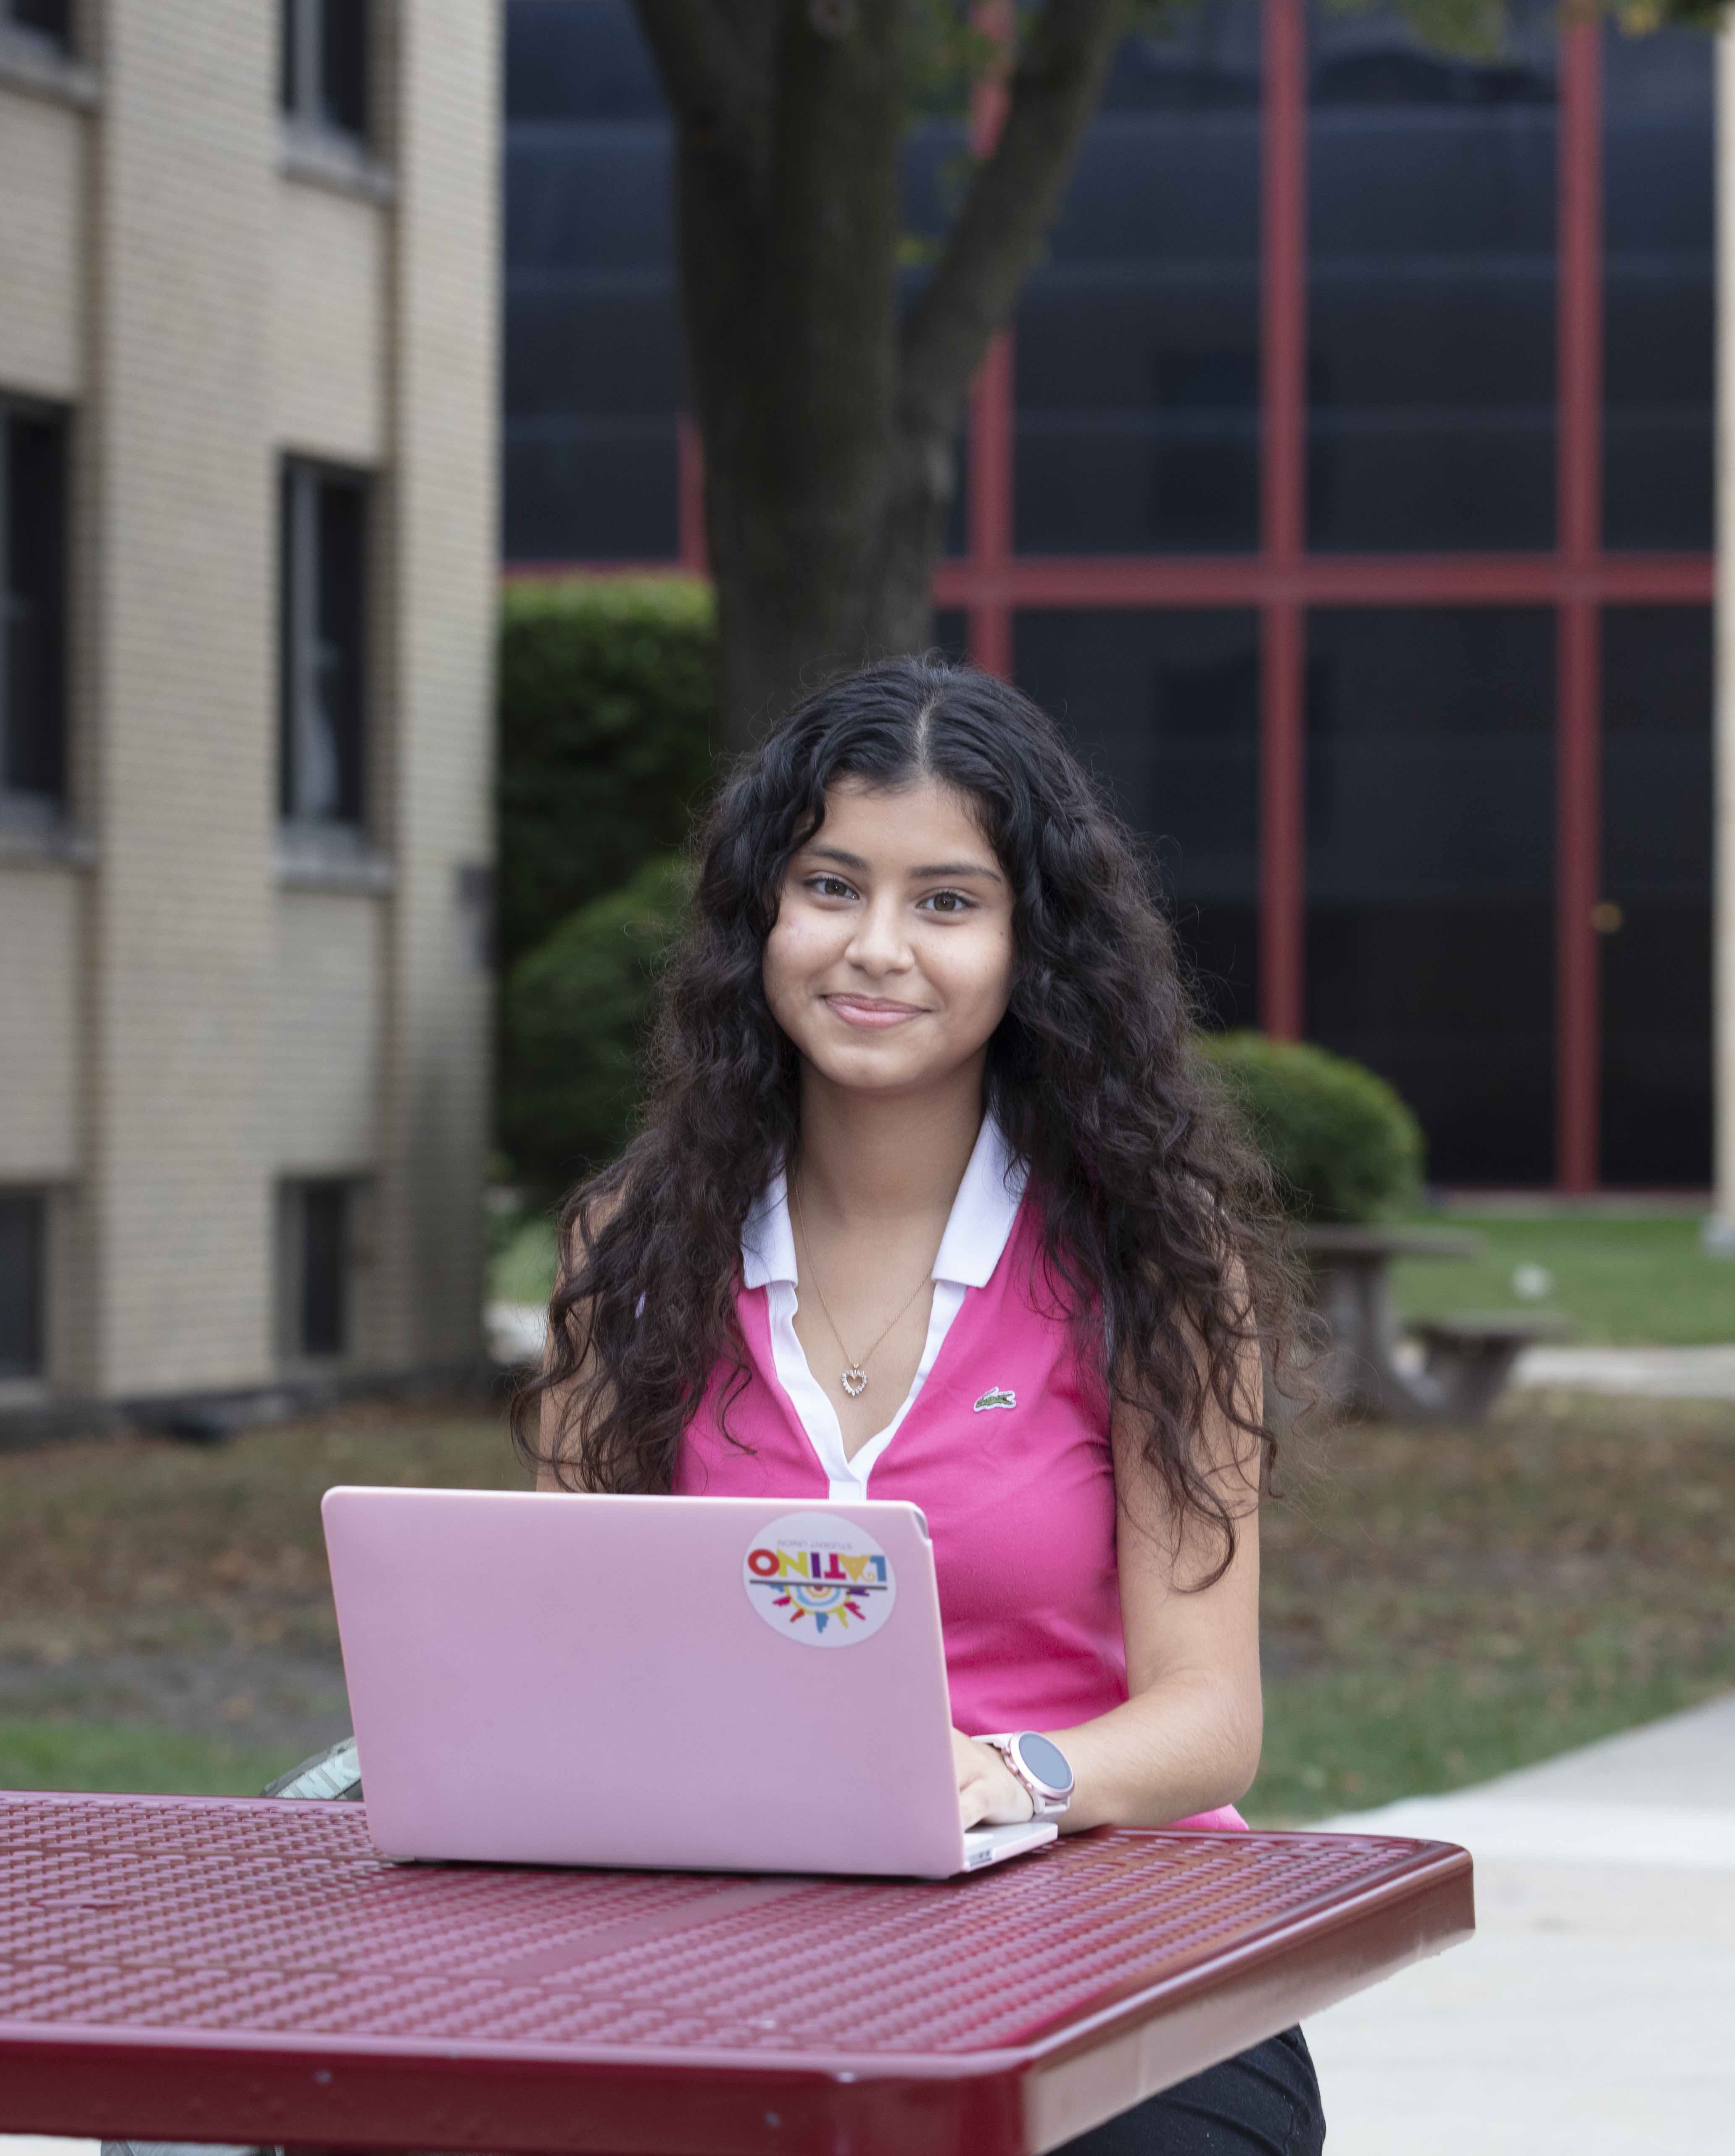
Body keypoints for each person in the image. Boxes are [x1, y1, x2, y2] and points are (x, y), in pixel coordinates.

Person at [516, 653, 1324, 2156]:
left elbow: (1212, 1720)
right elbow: (568, 1657)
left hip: (1113, 1936)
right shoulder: (630, 1246)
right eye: (830, 885)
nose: (875, 947)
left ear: (1031, 946)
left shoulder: (1149, 1259)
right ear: (762, 913)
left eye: (945, 901)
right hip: (733, 1938)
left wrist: (1011, 1772)